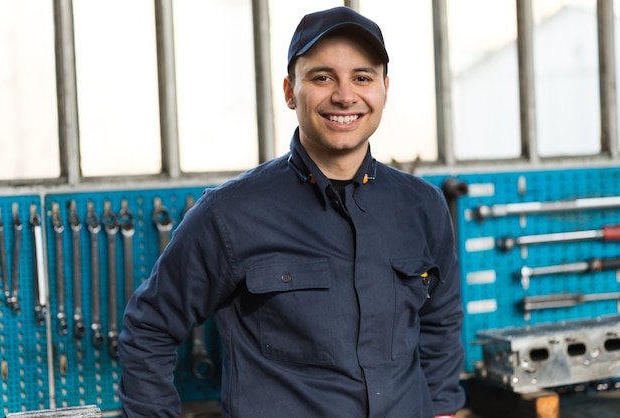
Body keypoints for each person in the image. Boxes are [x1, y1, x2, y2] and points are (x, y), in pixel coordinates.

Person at [118, 6, 465, 418]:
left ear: (384, 90)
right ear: (289, 90)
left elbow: (440, 323)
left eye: (362, 77)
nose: (345, 95)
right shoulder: (229, 214)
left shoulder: (423, 206)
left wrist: (442, 410)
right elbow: (149, 329)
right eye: (322, 77)